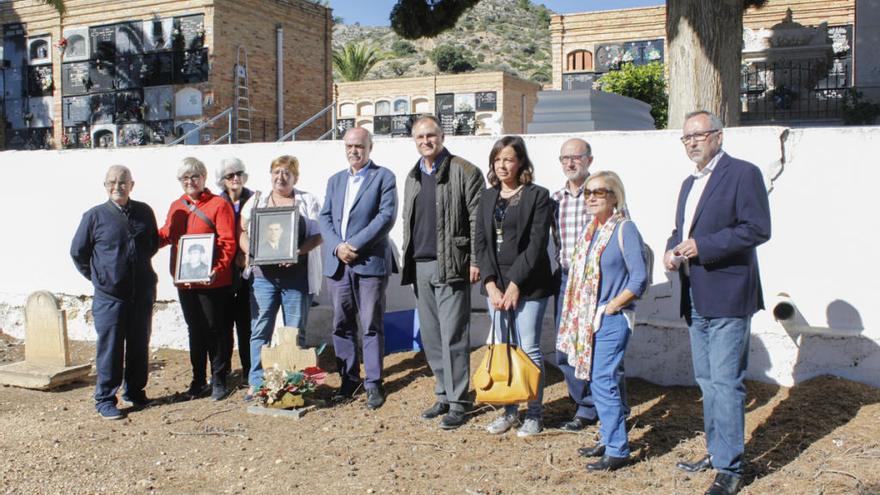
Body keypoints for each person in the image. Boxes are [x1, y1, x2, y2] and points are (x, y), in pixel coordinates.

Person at [665, 111, 771, 495]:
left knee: (726, 384)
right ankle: (716, 453)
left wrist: (702, 247)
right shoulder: (688, 184)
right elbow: (682, 232)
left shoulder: (743, 174)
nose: (692, 142)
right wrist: (670, 250)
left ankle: (731, 468)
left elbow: (757, 229)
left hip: (728, 295)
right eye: (686, 137)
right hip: (694, 294)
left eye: (699, 135)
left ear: (719, 137)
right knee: (708, 383)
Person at [557, 171, 647, 471]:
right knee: (603, 380)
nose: (592, 197)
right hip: (586, 321)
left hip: (611, 319)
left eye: (600, 192)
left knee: (604, 381)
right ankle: (608, 438)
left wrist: (611, 308)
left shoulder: (625, 229)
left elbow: (638, 278)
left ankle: (618, 449)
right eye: (588, 193)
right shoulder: (590, 230)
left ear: (614, 196)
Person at [400, 115, 484, 430]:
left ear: (442, 136)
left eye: (431, 135)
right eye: (420, 137)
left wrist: (475, 260)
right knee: (432, 338)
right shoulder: (412, 176)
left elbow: (478, 221)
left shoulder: (466, 171)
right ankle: (444, 394)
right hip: (420, 265)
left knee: (454, 336)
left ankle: (461, 402)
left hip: (452, 264)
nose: (426, 141)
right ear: (414, 140)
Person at [474, 135, 553, 437]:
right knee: (503, 348)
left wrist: (516, 283)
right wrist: (491, 284)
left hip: (530, 284)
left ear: (520, 161)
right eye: (497, 159)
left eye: (508, 158)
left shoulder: (538, 195)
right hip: (497, 283)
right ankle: (510, 410)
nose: (502, 164)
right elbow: (481, 243)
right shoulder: (486, 196)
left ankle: (534, 413)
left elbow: (536, 244)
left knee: (528, 348)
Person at [70, 165, 159, 420]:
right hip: (110, 297)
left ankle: (135, 391)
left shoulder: (144, 212)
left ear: (132, 185)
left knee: (139, 344)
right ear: (105, 185)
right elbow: (79, 253)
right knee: (110, 348)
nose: (117, 186)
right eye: (112, 182)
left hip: (140, 293)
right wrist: (100, 277)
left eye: (123, 182)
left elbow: (150, 245)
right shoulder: (94, 216)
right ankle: (106, 398)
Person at [318, 127, 397, 410]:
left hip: (369, 262)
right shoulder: (335, 180)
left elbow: (385, 217)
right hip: (338, 264)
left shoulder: (383, 177)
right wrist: (338, 246)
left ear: (370, 147)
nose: (355, 150)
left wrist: (354, 244)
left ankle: (374, 383)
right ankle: (349, 379)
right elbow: (324, 216)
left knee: (371, 325)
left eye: (360, 146)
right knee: (341, 325)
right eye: (350, 146)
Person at [240, 155, 323, 399]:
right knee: (260, 330)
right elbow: (242, 232)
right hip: (263, 278)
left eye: (287, 172)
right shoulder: (256, 201)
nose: (281, 177)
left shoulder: (308, 201)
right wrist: (252, 252)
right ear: (270, 174)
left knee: (295, 332)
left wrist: (298, 251)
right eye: (276, 172)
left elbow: (319, 235)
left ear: (295, 177)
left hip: (297, 278)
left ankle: (291, 384)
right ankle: (257, 382)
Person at [159, 157, 237, 401]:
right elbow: (167, 234)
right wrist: (141, 238)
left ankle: (219, 378)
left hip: (213, 281)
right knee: (195, 330)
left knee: (216, 329)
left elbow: (228, 241)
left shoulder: (218, 205)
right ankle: (198, 378)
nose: (190, 181)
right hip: (185, 282)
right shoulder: (177, 206)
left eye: (195, 176)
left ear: (203, 178)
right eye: (185, 178)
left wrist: (218, 267)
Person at [551, 137, 600, 432]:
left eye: (577, 157)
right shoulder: (556, 199)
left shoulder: (601, 194)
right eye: (565, 158)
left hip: (593, 280)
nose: (570, 163)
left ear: (589, 161)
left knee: (592, 346)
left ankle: (598, 406)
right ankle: (584, 403)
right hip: (566, 279)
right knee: (565, 347)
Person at [216, 157, 254, 379]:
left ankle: (250, 369)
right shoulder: (218, 202)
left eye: (239, 174)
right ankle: (225, 369)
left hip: (249, 269)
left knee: (247, 323)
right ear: (223, 181)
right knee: (223, 323)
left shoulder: (254, 199)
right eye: (230, 176)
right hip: (225, 272)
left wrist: (246, 253)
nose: (235, 179)